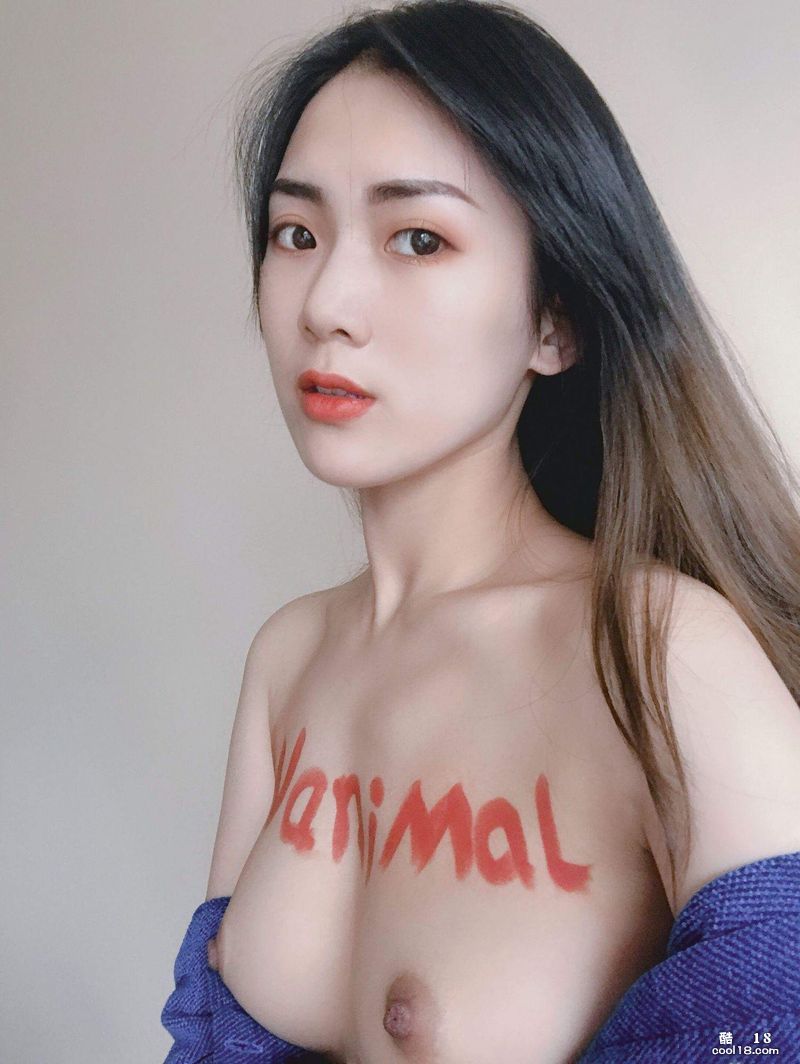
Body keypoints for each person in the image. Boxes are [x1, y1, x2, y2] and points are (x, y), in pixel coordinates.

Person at [161, 1, 800, 1061]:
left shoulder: (658, 650)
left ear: (555, 320)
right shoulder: (289, 659)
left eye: (418, 237)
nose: (327, 302)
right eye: (296, 233)